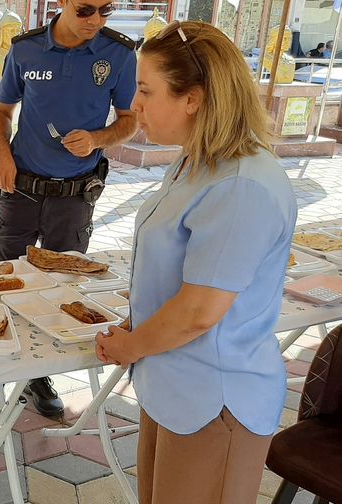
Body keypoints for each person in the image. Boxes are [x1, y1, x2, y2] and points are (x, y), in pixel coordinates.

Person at [95, 21, 296, 504]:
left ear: (193, 98)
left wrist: (132, 345)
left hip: (215, 399)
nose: (134, 104)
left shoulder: (241, 183)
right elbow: (176, 275)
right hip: (171, 383)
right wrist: (134, 329)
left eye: (145, 90)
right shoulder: (195, 161)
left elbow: (201, 310)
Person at [0, 0, 138, 429]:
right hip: (20, 189)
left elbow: (130, 119)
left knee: (62, 290)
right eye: (85, 10)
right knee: (2, 283)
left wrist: (99, 137)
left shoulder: (118, 53)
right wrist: (1, 153)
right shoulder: (25, 49)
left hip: (76, 196)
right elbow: (2, 113)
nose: (95, 20)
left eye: (106, 10)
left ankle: (37, 378)